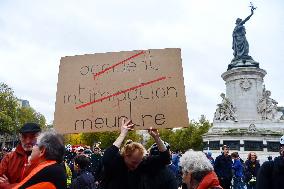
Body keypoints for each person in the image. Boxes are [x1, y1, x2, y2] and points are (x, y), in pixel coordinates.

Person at [100, 118, 170, 189]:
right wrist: (122, 134)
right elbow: (107, 157)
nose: (136, 166)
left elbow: (165, 159)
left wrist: (157, 138)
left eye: (138, 162)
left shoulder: (142, 163)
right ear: (126, 155)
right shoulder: (116, 162)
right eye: (133, 162)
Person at [0, 123, 41, 188]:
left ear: (39, 138)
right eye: (24, 137)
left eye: (32, 137)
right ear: (20, 137)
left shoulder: (44, 159)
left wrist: (8, 186)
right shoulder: (9, 158)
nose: (27, 141)